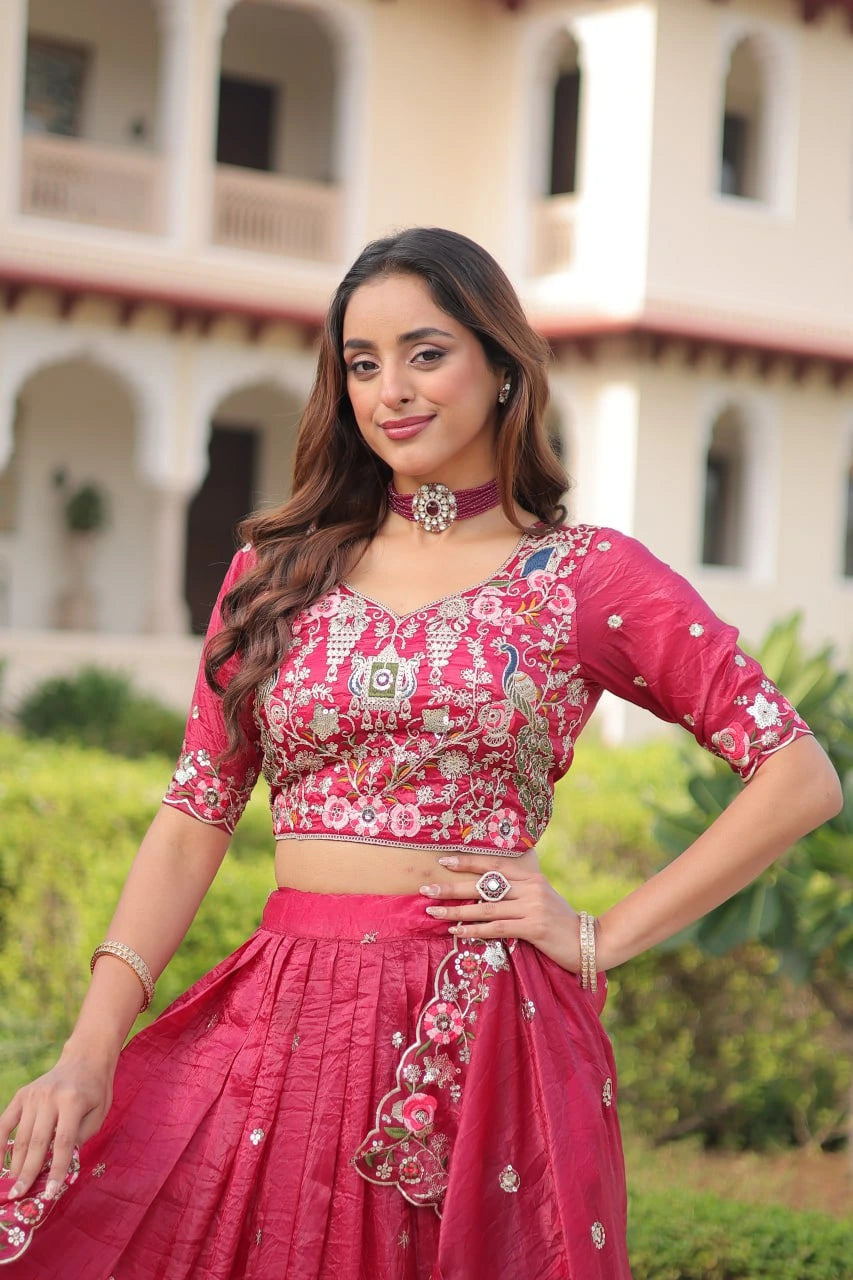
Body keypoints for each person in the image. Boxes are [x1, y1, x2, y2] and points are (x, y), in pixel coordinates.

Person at [0, 227, 841, 1280]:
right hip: (283, 1015)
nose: (389, 388)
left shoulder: (579, 576)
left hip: (478, 1028)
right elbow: (195, 810)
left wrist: (598, 935)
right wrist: (87, 1051)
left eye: (425, 352)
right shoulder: (277, 569)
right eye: (362, 362)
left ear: (501, 367)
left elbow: (795, 771)